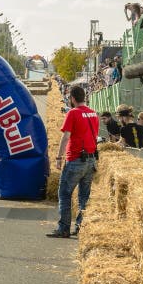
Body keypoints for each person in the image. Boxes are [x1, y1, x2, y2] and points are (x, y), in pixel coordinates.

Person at [48, 85, 99, 238]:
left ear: (72, 98)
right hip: (90, 160)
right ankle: (80, 226)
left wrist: (58, 157)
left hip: (76, 158)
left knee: (64, 193)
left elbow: (65, 137)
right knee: (84, 196)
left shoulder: (73, 113)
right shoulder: (93, 113)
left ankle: (64, 228)